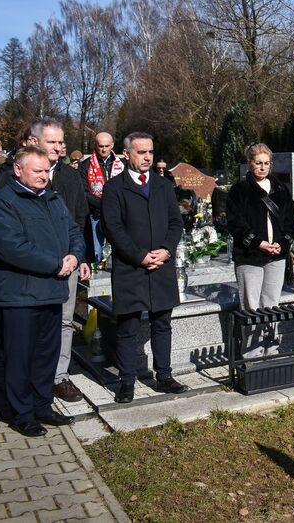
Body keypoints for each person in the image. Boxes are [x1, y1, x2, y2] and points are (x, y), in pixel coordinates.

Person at [0, 145, 89, 437]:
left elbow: (74, 232)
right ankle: (22, 413)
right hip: (21, 295)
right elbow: (12, 247)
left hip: (52, 292)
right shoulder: (2, 202)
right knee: (20, 357)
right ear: (18, 170)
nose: (44, 176)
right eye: (38, 171)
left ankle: (43, 405)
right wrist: (56, 263)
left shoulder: (52, 198)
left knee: (46, 354)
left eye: (46, 171)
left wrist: (75, 256)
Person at [102, 132, 186, 403]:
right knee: (128, 326)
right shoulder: (115, 187)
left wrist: (167, 250)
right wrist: (139, 256)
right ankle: (126, 382)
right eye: (141, 152)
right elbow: (112, 228)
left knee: (162, 323)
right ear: (127, 155)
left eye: (150, 152)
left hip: (161, 265)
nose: (147, 157)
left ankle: (164, 376)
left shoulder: (163, 186)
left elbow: (176, 223)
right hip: (131, 267)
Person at [28, 118, 90, 403]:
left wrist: (80, 257)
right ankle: (32, 376)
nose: (58, 147)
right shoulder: (13, 174)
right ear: (34, 142)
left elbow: (80, 218)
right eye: (51, 142)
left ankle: (59, 377)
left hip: (69, 262)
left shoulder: (71, 177)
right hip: (33, 265)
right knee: (34, 323)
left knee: (65, 321)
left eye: (61, 142)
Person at [226, 144, 294, 349]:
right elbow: (235, 224)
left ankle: (271, 348)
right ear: (249, 164)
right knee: (251, 306)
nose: (262, 167)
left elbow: (291, 222)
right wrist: (258, 243)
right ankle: (251, 354)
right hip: (249, 256)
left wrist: (282, 243)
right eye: (258, 163)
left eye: (266, 163)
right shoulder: (239, 191)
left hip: (276, 256)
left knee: (272, 304)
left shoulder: (281, 189)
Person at [80, 132, 124, 262]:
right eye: (100, 146)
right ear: (95, 145)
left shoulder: (122, 165)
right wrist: (103, 205)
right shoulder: (86, 165)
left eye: (107, 146)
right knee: (96, 252)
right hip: (96, 213)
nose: (104, 149)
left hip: (118, 214)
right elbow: (84, 192)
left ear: (112, 145)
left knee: (120, 248)